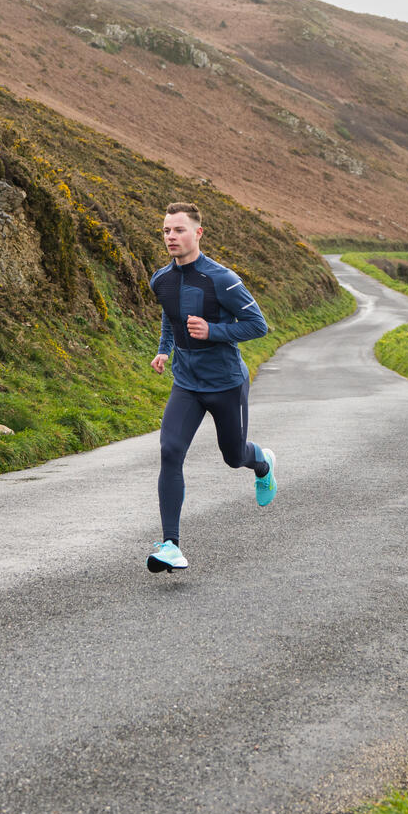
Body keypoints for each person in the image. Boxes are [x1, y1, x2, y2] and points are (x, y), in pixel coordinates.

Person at [144, 201, 276, 573]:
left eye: (179, 229)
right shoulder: (160, 279)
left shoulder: (222, 279)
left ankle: (262, 462)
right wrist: (164, 350)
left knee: (233, 456)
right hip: (186, 383)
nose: (171, 236)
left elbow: (257, 325)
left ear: (198, 233)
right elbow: (171, 318)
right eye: (167, 230)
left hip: (225, 384)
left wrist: (214, 331)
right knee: (170, 450)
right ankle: (170, 545)